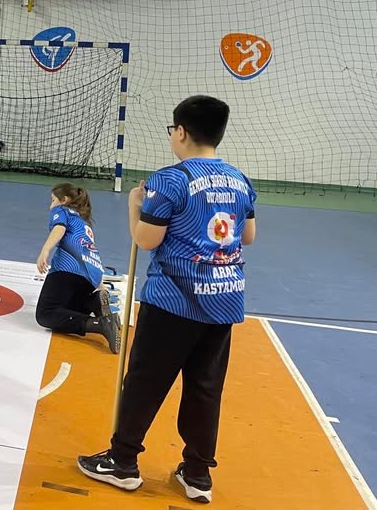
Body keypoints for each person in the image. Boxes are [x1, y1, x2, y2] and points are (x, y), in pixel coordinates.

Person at [78, 96, 257, 504]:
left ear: (181, 132)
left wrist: (135, 207)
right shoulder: (240, 179)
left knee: (145, 379)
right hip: (224, 300)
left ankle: (122, 462)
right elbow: (247, 237)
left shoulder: (170, 180)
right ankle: (197, 473)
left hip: (174, 299)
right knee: (205, 387)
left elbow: (146, 239)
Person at [34, 183, 120, 353]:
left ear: (64, 200)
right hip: (91, 276)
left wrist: (45, 250)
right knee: (67, 313)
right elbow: (90, 250)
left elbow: (59, 228)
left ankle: (100, 324)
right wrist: (100, 286)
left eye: (53, 200)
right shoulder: (85, 224)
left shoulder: (62, 210)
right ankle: (94, 301)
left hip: (68, 269)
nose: (51, 204)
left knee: (46, 314)